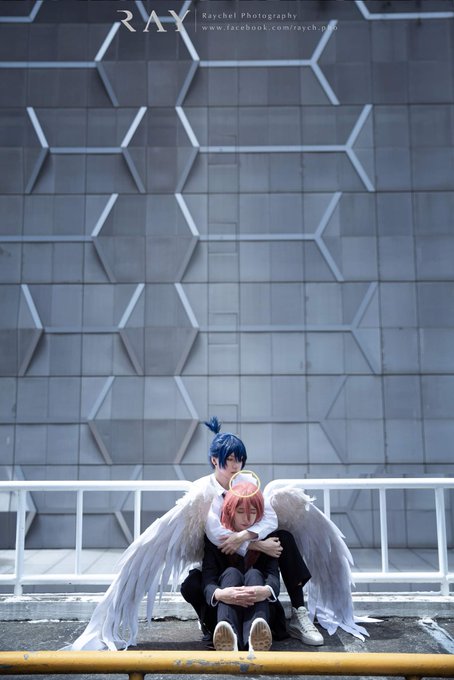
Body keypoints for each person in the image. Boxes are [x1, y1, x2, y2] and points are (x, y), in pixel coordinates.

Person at [181, 417, 324, 646]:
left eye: (239, 459)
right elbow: (217, 535)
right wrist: (259, 544)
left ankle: (299, 612)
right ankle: (212, 621)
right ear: (214, 460)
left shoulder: (247, 480)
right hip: (220, 557)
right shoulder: (202, 489)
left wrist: (245, 536)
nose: (235, 465)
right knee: (192, 584)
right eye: (229, 459)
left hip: (249, 558)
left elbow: (269, 517)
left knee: (283, 539)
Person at [202, 482, 280, 651]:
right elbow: (208, 579)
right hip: (224, 605)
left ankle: (256, 634)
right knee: (231, 573)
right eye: (240, 511)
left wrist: (265, 591)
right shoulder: (216, 536)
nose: (247, 518)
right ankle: (227, 634)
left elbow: (273, 575)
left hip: (262, 607)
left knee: (254, 575)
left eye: (253, 511)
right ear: (230, 510)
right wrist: (221, 594)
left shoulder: (267, 536)